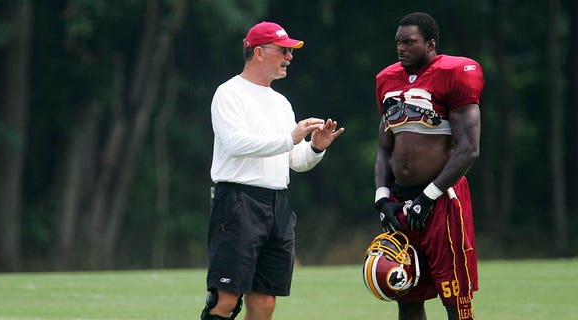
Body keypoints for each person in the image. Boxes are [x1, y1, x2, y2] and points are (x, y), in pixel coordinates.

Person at [200, 21, 344, 320]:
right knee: (225, 299)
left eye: (290, 51)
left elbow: (294, 161)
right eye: (283, 50)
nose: (289, 57)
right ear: (258, 53)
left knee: (265, 301)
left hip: (277, 203)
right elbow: (235, 143)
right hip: (237, 202)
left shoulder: (281, 103)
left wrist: (316, 147)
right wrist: (289, 138)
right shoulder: (229, 93)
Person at [374, 12, 484, 320]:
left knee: (455, 299)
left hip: (442, 201)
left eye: (409, 42)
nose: (401, 49)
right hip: (401, 200)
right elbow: (384, 148)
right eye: (398, 42)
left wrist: (428, 197)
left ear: (430, 44)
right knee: (406, 295)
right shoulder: (386, 79)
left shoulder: (455, 72)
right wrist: (382, 197)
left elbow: (468, 149)